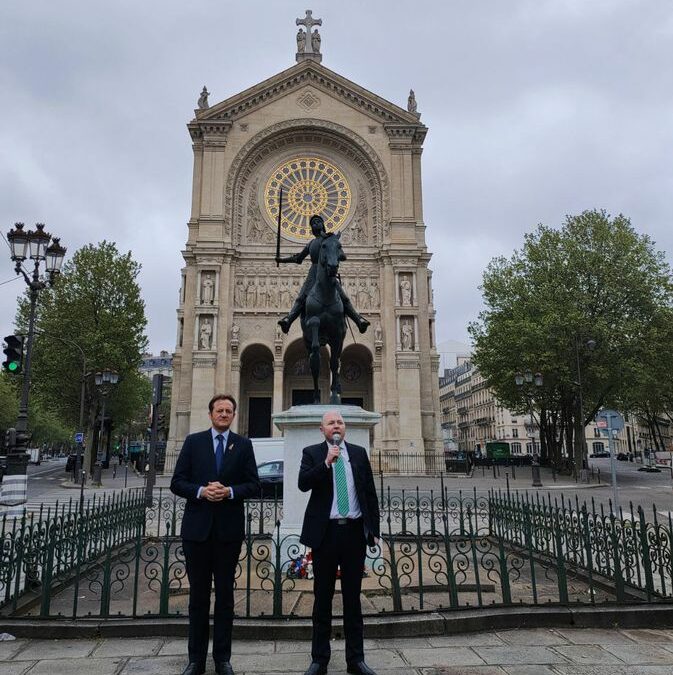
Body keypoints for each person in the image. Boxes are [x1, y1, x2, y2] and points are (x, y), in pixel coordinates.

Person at [171, 394, 260, 675]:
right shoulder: (193, 442)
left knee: (224, 597)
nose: (224, 414)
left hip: (228, 532)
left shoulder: (243, 445)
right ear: (210, 414)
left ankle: (223, 658)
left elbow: (254, 484)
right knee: (198, 598)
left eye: (228, 411)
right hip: (197, 532)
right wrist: (201, 491)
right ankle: (195, 659)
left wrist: (230, 492)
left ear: (234, 415)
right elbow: (177, 482)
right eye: (219, 410)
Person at [298, 410, 380, 675]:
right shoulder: (312, 452)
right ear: (322, 429)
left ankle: (355, 660)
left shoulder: (357, 452)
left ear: (345, 428)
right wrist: (325, 463)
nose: (337, 426)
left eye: (340, 422)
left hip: (354, 533)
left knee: (352, 600)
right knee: (322, 599)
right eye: (331, 422)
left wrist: (374, 530)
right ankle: (319, 659)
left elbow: (369, 492)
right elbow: (303, 483)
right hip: (326, 534)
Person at [277, 214, 369, 334]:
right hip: (313, 274)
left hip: (327, 272)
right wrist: (282, 260)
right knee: (301, 297)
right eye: (313, 223)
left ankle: (358, 320)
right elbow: (298, 258)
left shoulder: (330, 240)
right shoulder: (311, 244)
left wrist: (334, 257)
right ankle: (288, 319)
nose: (315, 223)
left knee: (343, 297)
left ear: (323, 224)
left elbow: (343, 255)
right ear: (311, 228)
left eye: (318, 221)